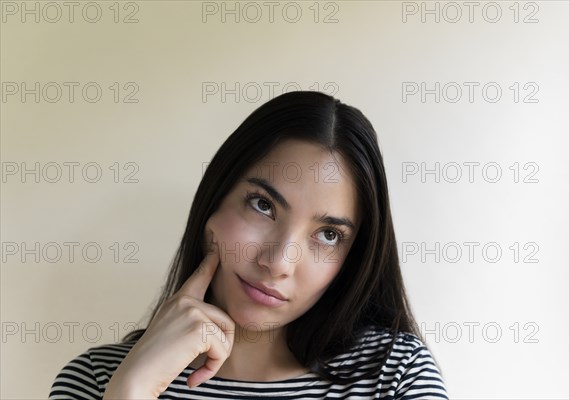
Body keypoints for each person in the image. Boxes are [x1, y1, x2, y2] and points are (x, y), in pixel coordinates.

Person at [49, 91, 449, 399]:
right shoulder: (99, 379)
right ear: (213, 205)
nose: (278, 262)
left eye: (328, 235)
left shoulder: (394, 375)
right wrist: (131, 391)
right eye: (264, 206)